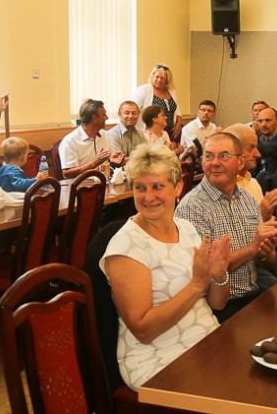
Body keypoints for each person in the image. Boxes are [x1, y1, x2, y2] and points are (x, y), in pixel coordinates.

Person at [99, 143, 230, 391]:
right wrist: (196, 285)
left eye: (157, 186)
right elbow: (143, 330)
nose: (148, 197)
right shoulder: (126, 247)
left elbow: (217, 303)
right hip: (157, 359)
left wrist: (219, 276)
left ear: (178, 187)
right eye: (140, 188)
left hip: (206, 341)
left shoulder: (186, 228)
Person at [175, 132, 277, 322]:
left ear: (241, 162)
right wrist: (253, 248)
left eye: (224, 156)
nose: (215, 162)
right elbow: (206, 271)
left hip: (252, 293)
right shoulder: (192, 207)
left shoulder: (247, 199)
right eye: (209, 156)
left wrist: (266, 253)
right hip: (217, 307)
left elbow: (263, 261)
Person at [225, 123, 277, 223]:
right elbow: (233, 232)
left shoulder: (253, 184)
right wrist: (261, 217)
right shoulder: (221, 190)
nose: (258, 154)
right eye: (251, 149)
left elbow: (267, 227)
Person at [58, 99, 123, 179]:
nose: (107, 118)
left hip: (104, 183)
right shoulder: (70, 141)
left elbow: (111, 157)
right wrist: (94, 163)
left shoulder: (104, 134)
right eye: (104, 115)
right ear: (95, 118)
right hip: (81, 185)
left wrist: (113, 160)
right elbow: (67, 174)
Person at [132, 63, 183, 141]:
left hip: (171, 133)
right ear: (152, 76)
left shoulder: (172, 91)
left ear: (167, 80)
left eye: (162, 78)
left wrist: (179, 122)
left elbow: (176, 109)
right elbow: (134, 109)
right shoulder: (144, 90)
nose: (159, 80)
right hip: (151, 135)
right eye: (157, 77)